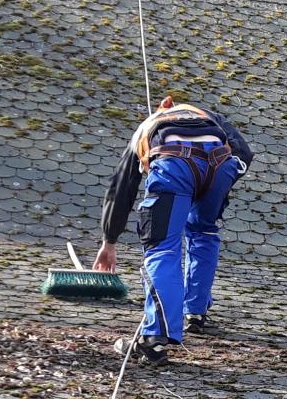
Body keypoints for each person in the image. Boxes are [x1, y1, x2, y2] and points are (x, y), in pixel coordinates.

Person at [94, 96, 255, 364]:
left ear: (162, 109)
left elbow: (122, 187)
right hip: (220, 165)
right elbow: (244, 152)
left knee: (162, 247)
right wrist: (225, 177)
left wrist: (109, 241)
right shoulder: (206, 115)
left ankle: (154, 339)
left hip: (174, 165)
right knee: (203, 231)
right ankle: (195, 312)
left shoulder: (148, 125)